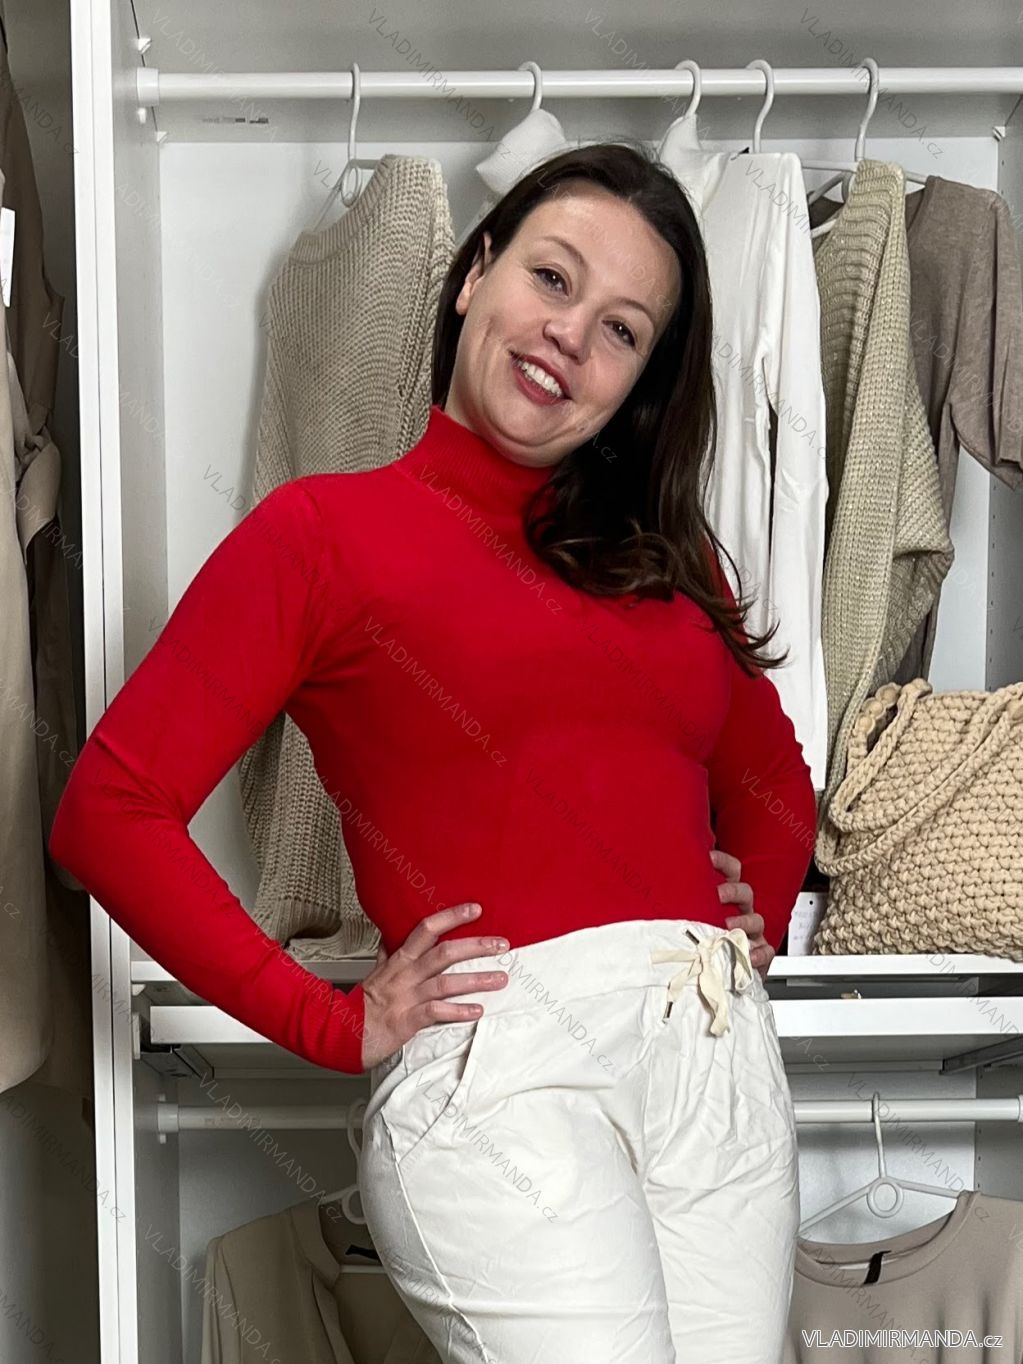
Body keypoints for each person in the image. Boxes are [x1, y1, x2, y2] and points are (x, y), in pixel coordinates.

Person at [49, 141, 817, 1362]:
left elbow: (771, 775)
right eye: (553, 278)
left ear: (641, 382)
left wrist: (750, 911)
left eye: (622, 330)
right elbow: (109, 807)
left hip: (716, 1065)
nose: (571, 335)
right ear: (473, 274)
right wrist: (324, 1019)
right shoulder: (322, 535)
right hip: (507, 1074)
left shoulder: (669, 561)